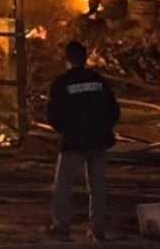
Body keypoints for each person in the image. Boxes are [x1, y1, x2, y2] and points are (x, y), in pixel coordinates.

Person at [47, 40, 120, 242]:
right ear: (85, 58)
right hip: (98, 141)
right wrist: (103, 128)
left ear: (66, 59)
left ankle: (61, 226)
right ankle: (98, 229)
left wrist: (66, 130)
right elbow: (114, 111)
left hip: (73, 142)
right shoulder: (99, 81)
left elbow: (53, 116)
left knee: (63, 186)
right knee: (98, 187)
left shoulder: (61, 84)